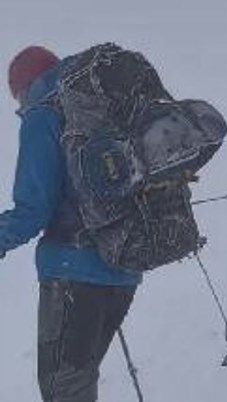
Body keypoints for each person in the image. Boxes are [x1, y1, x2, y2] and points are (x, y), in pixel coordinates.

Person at [1, 45, 140, 401]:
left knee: (64, 391)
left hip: (73, 272)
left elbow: (33, 210)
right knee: (77, 385)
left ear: (24, 87)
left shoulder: (43, 114)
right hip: (124, 267)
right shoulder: (105, 106)